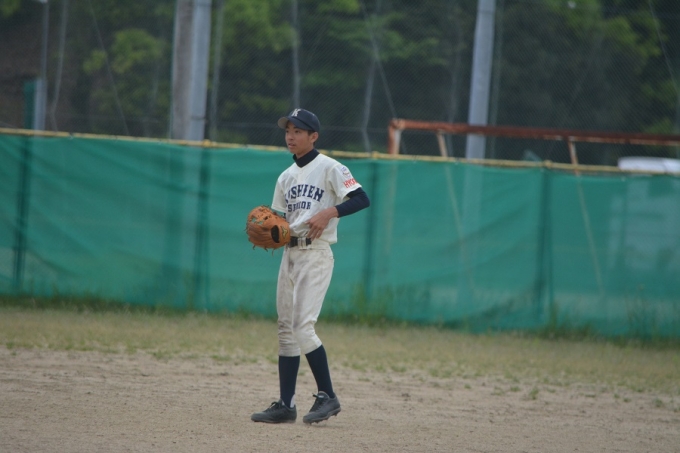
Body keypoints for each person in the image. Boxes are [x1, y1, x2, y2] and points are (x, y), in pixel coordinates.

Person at [251, 108, 370, 424]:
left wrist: (329, 212)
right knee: (286, 330)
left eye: (298, 131)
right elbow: (281, 220)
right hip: (290, 255)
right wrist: (272, 232)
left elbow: (361, 198)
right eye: (288, 131)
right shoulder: (285, 177)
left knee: (303, 326)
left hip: (316, 253)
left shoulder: (330, 167)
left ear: (313, 136)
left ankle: (328, 396)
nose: (290, 136)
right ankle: (286, 405)